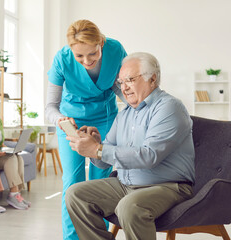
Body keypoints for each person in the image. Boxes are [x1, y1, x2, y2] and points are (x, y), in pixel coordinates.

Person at [65, 52, 195, 240]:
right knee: (75, 194)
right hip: (126, 184)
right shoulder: (125, 114)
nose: (123, 88)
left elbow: (149, 156)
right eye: (120, 82)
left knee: (130, 206)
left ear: (152, 79)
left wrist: (98, 150)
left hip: (168, 186)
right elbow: (103, 162)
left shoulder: (169, 107)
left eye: (130, 80)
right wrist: (94, 145)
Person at [45, 19, 127, 240]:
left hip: (106, 119)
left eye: (92, 54)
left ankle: (96, 236)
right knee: (73, 182)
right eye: (79, 56)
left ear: (101, 42)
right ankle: (71, 238)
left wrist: (136, 105)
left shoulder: (116, 50)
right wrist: (60, 119)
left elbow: (121, 87)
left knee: (102, 183)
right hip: (71, 122)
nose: (86, 61)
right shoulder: (62, 59)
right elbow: (50, 107)